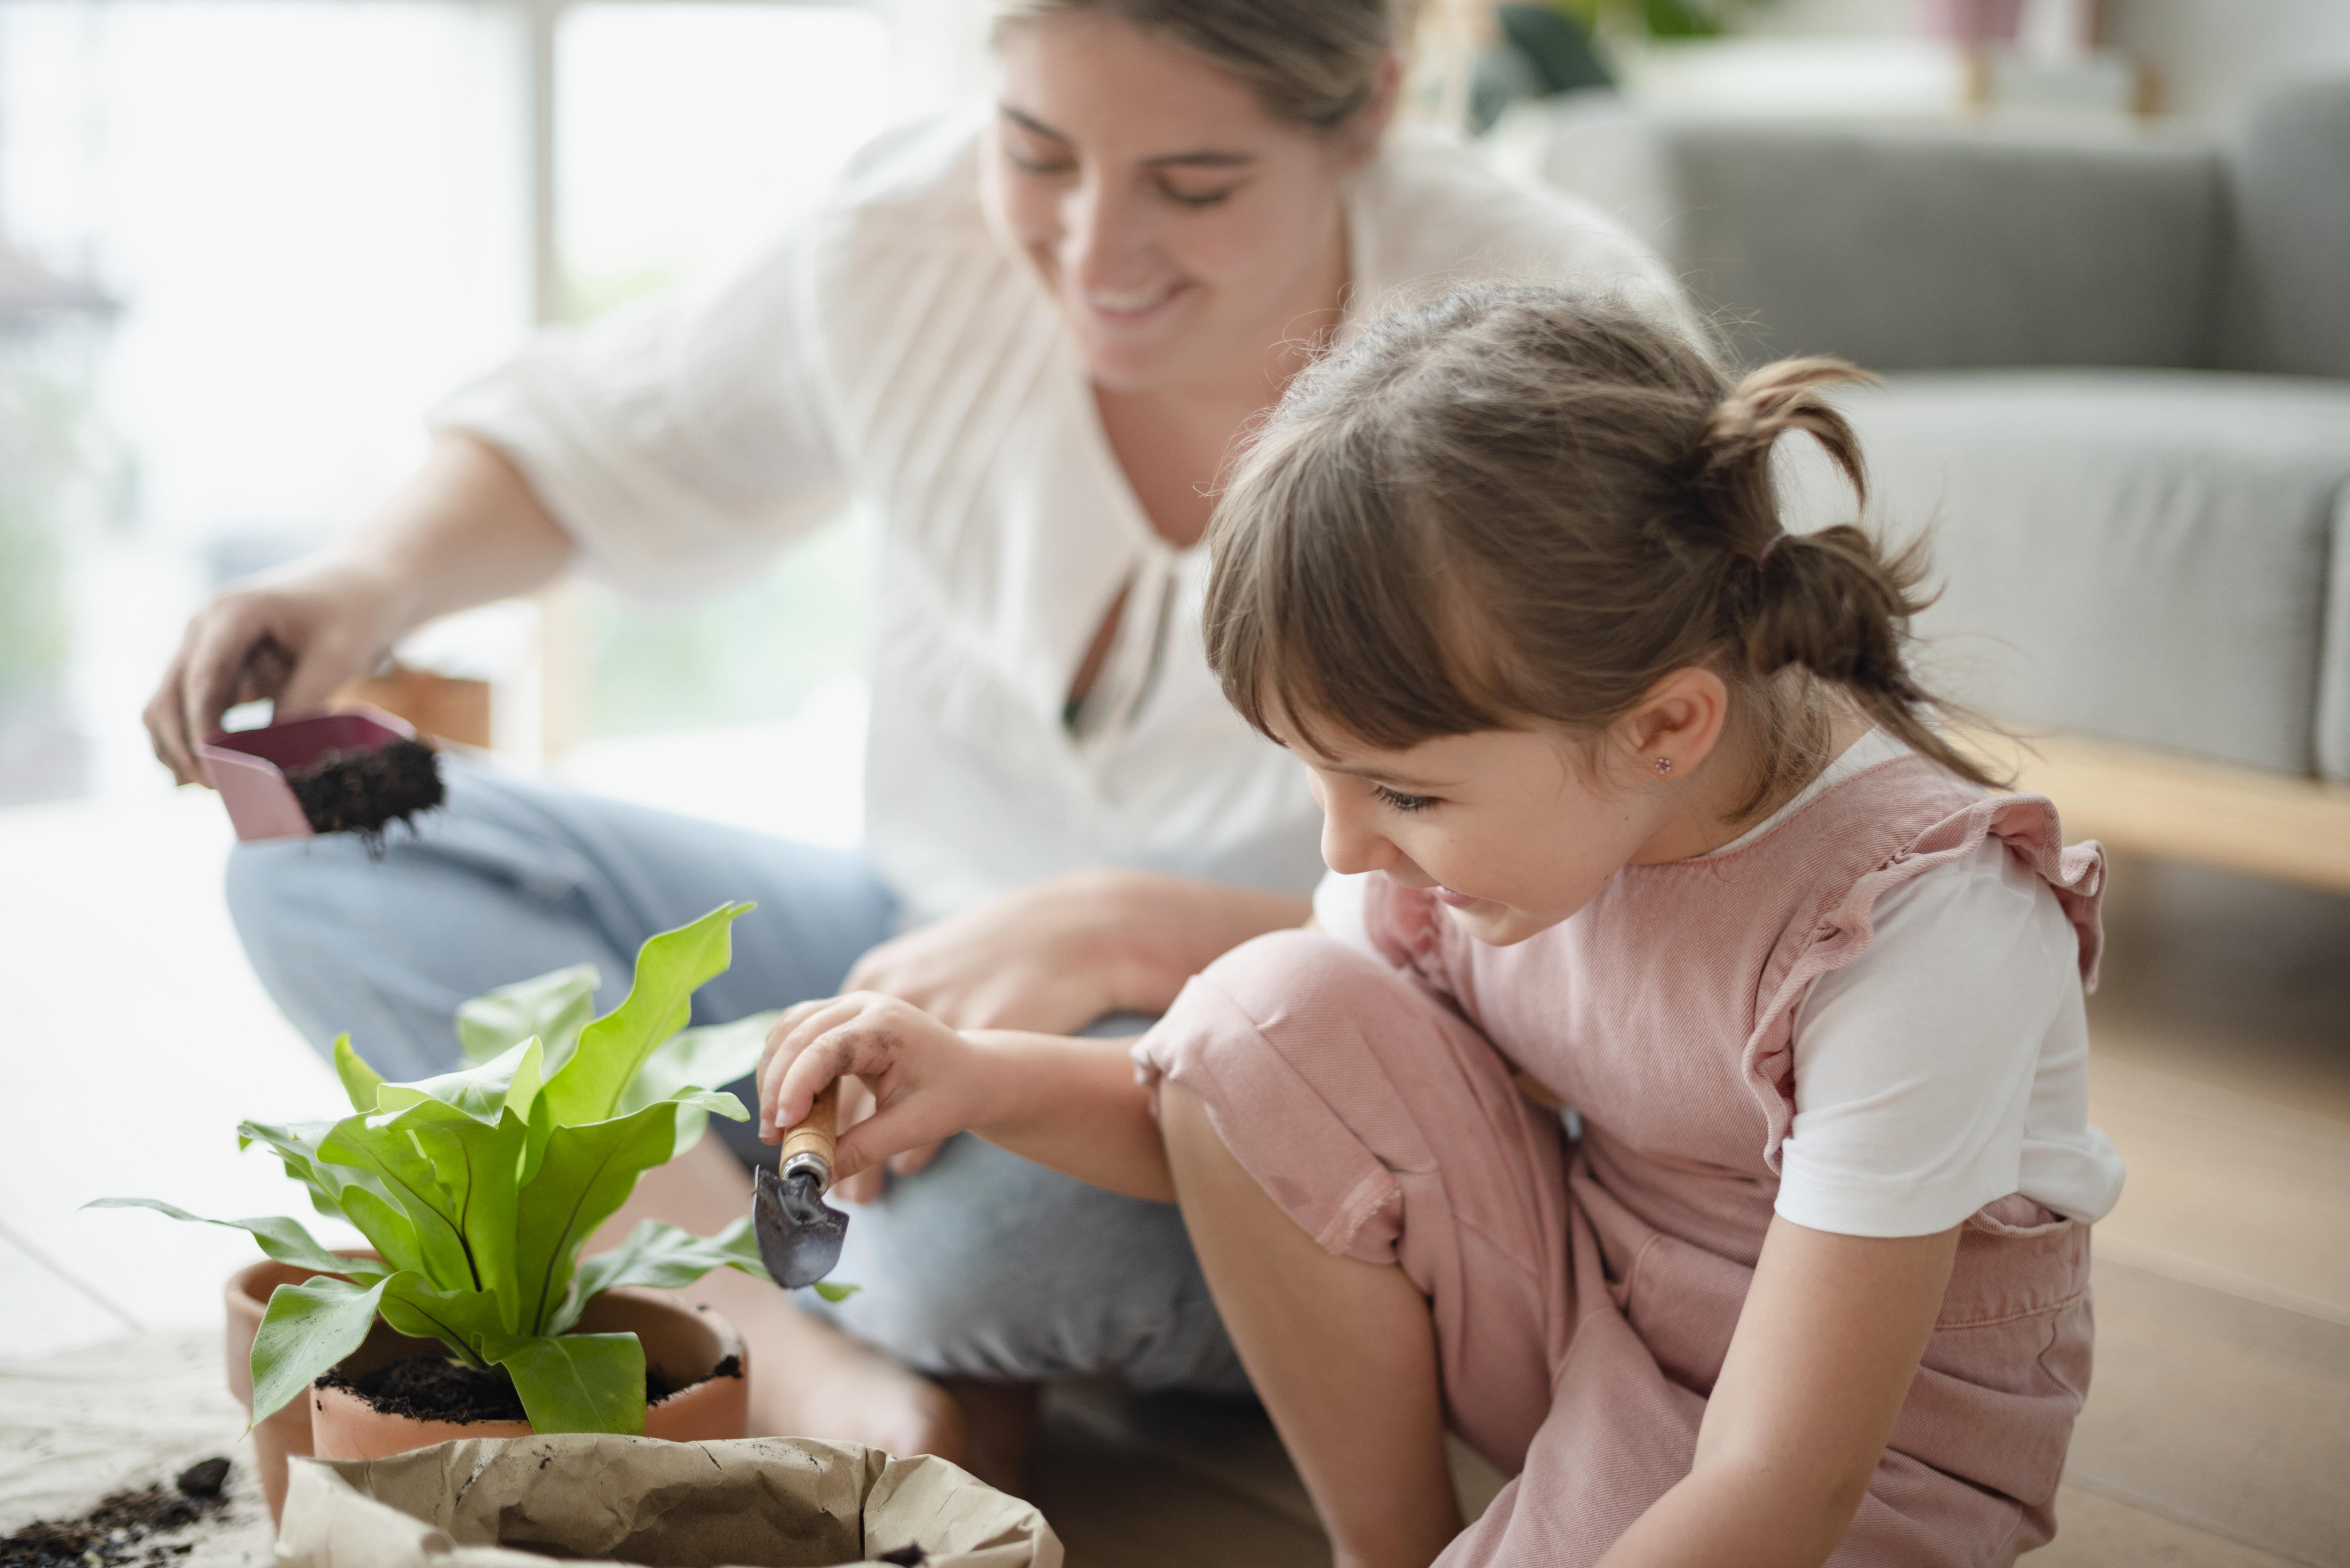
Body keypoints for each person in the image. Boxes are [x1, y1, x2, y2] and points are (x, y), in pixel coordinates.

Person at [141, 0, 1687, 1483]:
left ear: (1366, 111)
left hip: (1279, 1056)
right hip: (907, 940)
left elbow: (1659, 929)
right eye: (1037, 153)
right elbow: (604, 436)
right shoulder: (906, 232)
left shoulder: (1547, 344)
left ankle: (879, 1294)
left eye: (1195, 185)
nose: (1094, 250)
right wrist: (361, 582)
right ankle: (781, 1350)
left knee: (1012, 1236)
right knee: (319, 842)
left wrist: (1134, 929)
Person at [753, 285, 2127, 1566]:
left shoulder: (1919, 932)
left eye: (1403, 792)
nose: (1347, 847)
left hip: (1851, 1474)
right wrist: (976, 1078)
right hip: (1599, 1317)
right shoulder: (1504, 831)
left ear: (1664, 725)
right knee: (1256, 1007)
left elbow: (1784, 1477)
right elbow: (1249, 1110)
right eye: (1318, 780)